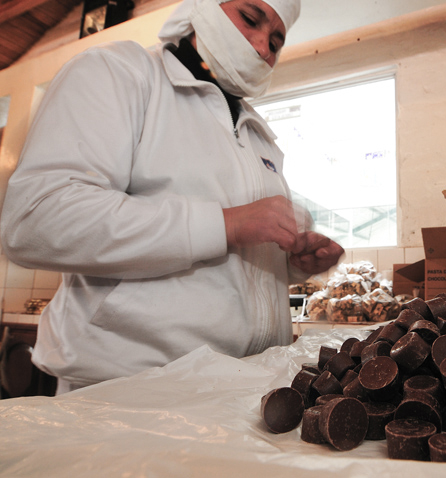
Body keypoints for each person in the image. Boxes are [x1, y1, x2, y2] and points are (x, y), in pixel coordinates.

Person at [0, 0, 344, 394]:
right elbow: (37, 220)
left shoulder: (258, 135)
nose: (263, 46)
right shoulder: (121, 74)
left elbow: (233, 264)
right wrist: (226, 223)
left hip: (246, 389)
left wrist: (289, 262)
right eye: (250, 19)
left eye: (277, 41)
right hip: (129, 394)